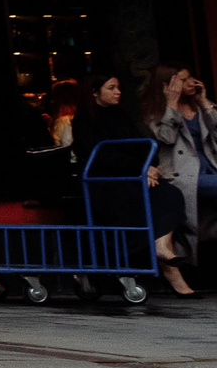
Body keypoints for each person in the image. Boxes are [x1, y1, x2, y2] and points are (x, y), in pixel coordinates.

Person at [79, 72, 190, 297]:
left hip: (134, 178)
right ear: (94, 92)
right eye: (111, 88)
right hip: (108, 184)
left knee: (169, 194)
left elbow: (146, 145)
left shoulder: (121, 115)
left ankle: (162, 249)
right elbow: (99, 156)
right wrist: (138, 169)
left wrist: (150, 167)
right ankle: (169, 266)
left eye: (118, 87)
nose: (118, 92)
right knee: (147, 199)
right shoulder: (85, 120)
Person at [150, 65, 212, 290]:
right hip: (184, 174)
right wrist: (172, 104)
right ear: (168, 86)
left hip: (210, 170)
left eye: (191, 77)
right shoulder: (157, 113)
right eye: (183, 80)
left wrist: (205, 102)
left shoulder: (200, 108)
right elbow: (165, 137)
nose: (191, 83)